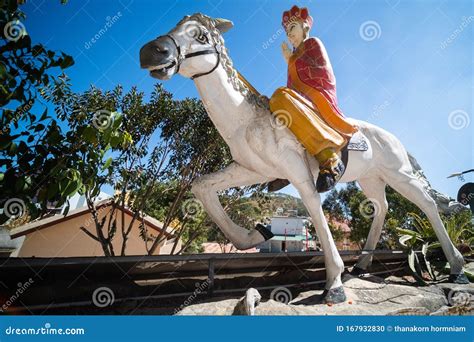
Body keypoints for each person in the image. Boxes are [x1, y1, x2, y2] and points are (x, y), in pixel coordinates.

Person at [269, 5, 358, 192]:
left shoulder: (313, 44)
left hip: (317, 96)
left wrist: (292, 60)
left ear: (305, 27)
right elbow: (291, 86)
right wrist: (290, 62)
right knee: (275, 106)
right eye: (286, 31)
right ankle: (285, 166)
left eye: (292, 28)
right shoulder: (293, 57)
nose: (289, 34)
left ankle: (330, 158)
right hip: (300, 99)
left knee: (279, 97)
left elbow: (323, 72)